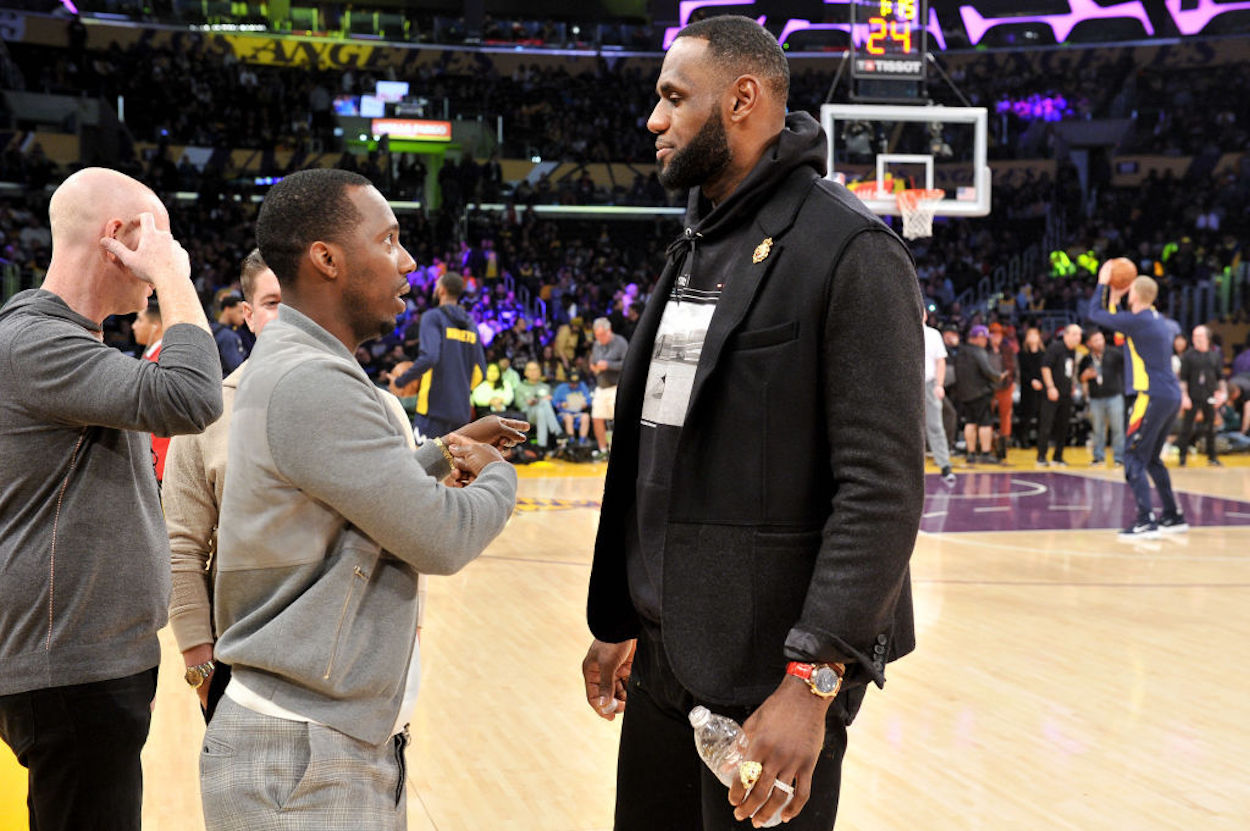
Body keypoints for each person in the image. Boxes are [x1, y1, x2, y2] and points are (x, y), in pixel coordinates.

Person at [581, 17, 923, 831]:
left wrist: (812, 681)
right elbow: (663, 452)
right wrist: (626, 616)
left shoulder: (851, 253)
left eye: (672, 98)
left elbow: (880, 490)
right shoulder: (696, 244)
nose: (654, 120)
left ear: (741, 99)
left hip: (771, 676)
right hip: (664, 662)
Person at [201, 169, 525, 831]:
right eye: (390, 240)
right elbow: (440, 536)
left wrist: (442, 451)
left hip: (308, 742)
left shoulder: (294, 361)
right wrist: (497, 475)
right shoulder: (315, 378)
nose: (407, 262)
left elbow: (346, 497)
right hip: (305, 757)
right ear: (327, 258)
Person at [0, 167, 223, 831]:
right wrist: (176, 278)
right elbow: (192, 397)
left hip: (83, 663)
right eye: (160, 242)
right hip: (70, 670)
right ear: (117, 237)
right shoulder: (38, 343)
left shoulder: (58, 338)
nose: (167, 259)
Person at [164, 250, 281, 723]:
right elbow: (181, 544)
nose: (289, 316)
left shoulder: (373, 406)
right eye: (274, 302)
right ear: (248, 316)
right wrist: (200, 664)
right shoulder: (209, 414)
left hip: (346, 668)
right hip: (239, 663)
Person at [1087, 263, 1186, 538]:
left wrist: (1103, 284)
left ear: (1136, 295)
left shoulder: (1139, 322)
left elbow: (1094, 313)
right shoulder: (1156, 320)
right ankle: (1172, 515)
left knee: (1132, 456)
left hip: (1150, 395)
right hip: (1169, 395)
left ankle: (1146, 519)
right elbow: (1120, 323)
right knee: (1152, 458)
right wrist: (1116, 302)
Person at [390, 271, 485, 440]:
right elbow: (480, 372)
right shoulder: (471, 324)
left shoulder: (432, 317)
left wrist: (401, 381)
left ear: (441, 290)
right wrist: (457, 388)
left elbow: (430, 358)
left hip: (433, 410)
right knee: (452, 466)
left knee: (421, 464)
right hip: (461, 412)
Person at [1176, 324, 1226, 467]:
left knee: (1211, 427)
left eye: (1199, 336)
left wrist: (1223, 393)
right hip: (1193, 396)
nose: (1196, 339)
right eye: (1194, 336)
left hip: (1209, 395)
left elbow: (1220, 377)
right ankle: (1182, 457)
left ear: (1207, 338)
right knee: (1187, 427)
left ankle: (1212, 456)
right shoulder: (1188, 356)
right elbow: (1183, 379)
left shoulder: (1214, 356)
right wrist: (1184, 396)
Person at [955, 324, 1005, 465]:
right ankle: (985, 453)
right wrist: (998, 376)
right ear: (978, 338)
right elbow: (987, 370)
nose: (986, 341)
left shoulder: (961, 351)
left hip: (965, 394)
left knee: (970, 422)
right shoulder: (979, 352)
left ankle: (970, 454)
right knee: (985, 423)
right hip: (981, 393)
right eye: (985, 338)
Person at [133, 298, 171, 481]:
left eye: (139, 320)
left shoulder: (164, 357)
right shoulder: (151, 354)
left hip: (161, 453)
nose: (134, 326)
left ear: (156, 326)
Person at [1078, 328, 1126, 467]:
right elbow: (1080, 378)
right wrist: (1085, 376)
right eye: (1095, 340)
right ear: (1089, 343)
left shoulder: (1114, 354)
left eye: (1101, 339)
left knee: (1117, 428)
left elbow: (1125, 369)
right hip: (1095, 398)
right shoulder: (1086, 359)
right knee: (1097, 429)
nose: (1099, 342)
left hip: (1114, 396)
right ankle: (1098, 457)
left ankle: (1119, 458)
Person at [1037, 324, 1082, 467]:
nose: (1078, 337)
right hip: (1052, 392)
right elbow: (1045, 367)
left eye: (1079, 335)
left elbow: (1070, 369)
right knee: (1046, 425)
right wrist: (1050, 387)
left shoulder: (1073, 351)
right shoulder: (1056, 347)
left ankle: (1058, 456)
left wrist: (1072, 385)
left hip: (1066, 393)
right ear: (1066, 335)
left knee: (1063, 426)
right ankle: (1041, 457)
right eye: (1075, 334)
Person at [589, 317, 628, 459]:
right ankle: (603, 450)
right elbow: (592, 362)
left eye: (601, 335)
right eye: (597, 335)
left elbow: (627, 364)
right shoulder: (597, 344)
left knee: (618, 419)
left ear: (609, 330)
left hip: (616, 386)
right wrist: (594, 367)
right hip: (601, 386)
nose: (599, 338)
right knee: (597, 417)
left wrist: (609, 365)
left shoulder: (620, 342)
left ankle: (620, 450)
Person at [923, 322, 956, 483]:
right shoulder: (902, 330)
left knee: (935, 425)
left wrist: (939, 385)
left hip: (930, 383)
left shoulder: (933, 334)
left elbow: (940, 361)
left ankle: (945, 466)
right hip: (907, 386)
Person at [987, 322, 1016, 461]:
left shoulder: (1007, 349)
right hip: (989, 387)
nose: (996, 336)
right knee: (988, 416)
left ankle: (1003, 446)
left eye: (998, 334)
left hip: (1005, 386)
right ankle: (989, 445)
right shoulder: (984, 350)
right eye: (993, 333)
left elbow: (1014, 368)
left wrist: (1014, 382)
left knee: (1005, 416)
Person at [1017, 326, 1045, 448]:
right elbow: (1022, 372)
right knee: (1026, 415)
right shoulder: (1022, 354)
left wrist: (1041, 381)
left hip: (1041, 387)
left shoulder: (1044, 354)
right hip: (1027, 388)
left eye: (1035, 335)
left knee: (1042, 415)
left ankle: (1041, 440)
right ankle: (1024, 439)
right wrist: (1032, 381)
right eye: (1030, 335)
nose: (1033, 337)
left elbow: (1046, 370)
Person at [212, 295, 248, 376]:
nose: (243, 317)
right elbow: (238, 370)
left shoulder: (210, 327)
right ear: (227, 309)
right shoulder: (228, 336)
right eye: (240, 311)